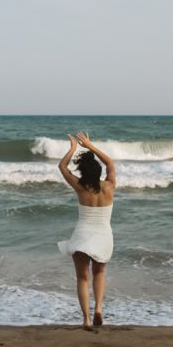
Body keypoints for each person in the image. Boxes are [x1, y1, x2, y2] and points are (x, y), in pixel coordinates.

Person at [58, 132, 116, 329]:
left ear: (82, 171)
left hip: (82, 235)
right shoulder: (109, 186)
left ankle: (87, 319)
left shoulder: (80, 187)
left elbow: (62, 167)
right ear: (98, 171)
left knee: (83, 278)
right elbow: (110, 164)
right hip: (103, 236)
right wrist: (90, 146)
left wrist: (73, 148)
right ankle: (98, 308)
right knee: (99, 273)